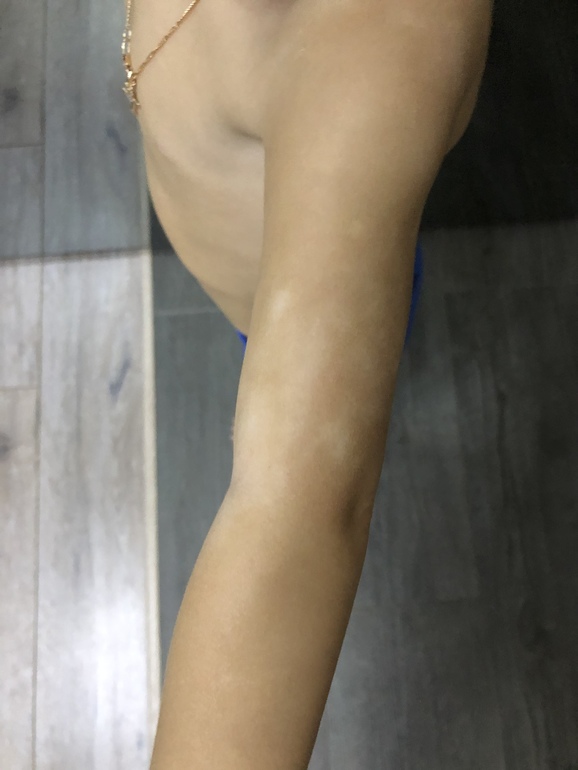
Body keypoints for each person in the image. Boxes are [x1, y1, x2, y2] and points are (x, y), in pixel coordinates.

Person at [126, 1, 494, 767]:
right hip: (251, 262)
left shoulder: (384, 37)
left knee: (339, 321)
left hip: (280, 292)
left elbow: (295, 512)